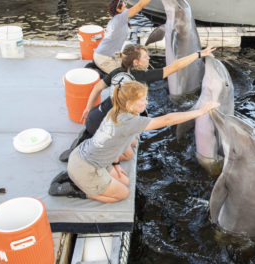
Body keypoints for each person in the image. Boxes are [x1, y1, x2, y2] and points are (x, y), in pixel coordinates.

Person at [58, 44, 216, 162]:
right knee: (128, 153)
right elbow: (173, 67)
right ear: (136, 62)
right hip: (105, 126)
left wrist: (87, 108)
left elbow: (97, 87)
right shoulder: (142, 77)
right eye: (145, 57)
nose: (149, 59)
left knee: (132, 141)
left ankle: (86, 136)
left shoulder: (117, 72)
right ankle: (86, 149)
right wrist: (199, 54)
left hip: (94, 115)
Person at [67, 81, 220, 203]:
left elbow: (112, 143)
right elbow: (167, 120)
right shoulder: (129, 122)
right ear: (129, 105)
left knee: (124, 180)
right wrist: (200, 111)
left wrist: (115, 164)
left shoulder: (116, 111)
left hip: (82, 156)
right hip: (86, 169)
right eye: (142, 100)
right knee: (122, 194)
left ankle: (76, 178)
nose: (146, 103)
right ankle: (75, 190)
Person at [94, 0, 152, 74]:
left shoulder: (115, 20)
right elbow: (139, 5)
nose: (127, 10)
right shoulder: (119, 18)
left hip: (107, 55)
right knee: (124, 75)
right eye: (124, 8)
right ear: (118, 9)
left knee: (131, 66)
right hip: (104, 59)